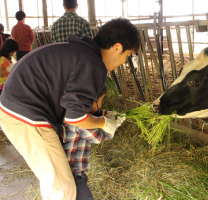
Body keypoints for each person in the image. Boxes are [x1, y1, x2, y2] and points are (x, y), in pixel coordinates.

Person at [0, 17, 140, 200]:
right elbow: (75, 118)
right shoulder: (93, 63)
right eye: (127, 55)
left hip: (19, 108)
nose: (124, 61)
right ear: (117, 47)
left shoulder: (80, 53)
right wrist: (104, 122)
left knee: (59, 181)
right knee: (61, 188)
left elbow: (72, 105)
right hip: (26, 115)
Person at [63, 85, 126, 200]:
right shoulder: (79, 121)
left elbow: (93, 116)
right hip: (72, 174)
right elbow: (97, 137)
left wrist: (106, 114)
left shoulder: (71, 111)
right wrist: (112, 127)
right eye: (101, 100)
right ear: (91, 101)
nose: (101, 104)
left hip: (72, 171)